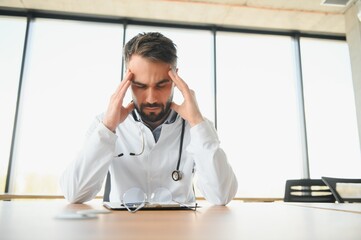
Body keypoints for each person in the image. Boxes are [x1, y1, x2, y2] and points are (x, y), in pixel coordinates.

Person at [60, 32, 238, 206]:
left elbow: (221, 196)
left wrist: (198, 123)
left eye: (161, 85)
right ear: (127, 81)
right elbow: (74, 193)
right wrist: (108, 128)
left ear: (176, 78)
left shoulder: (197, 127)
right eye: (140, 86)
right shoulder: (104, 123)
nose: (151, 98)